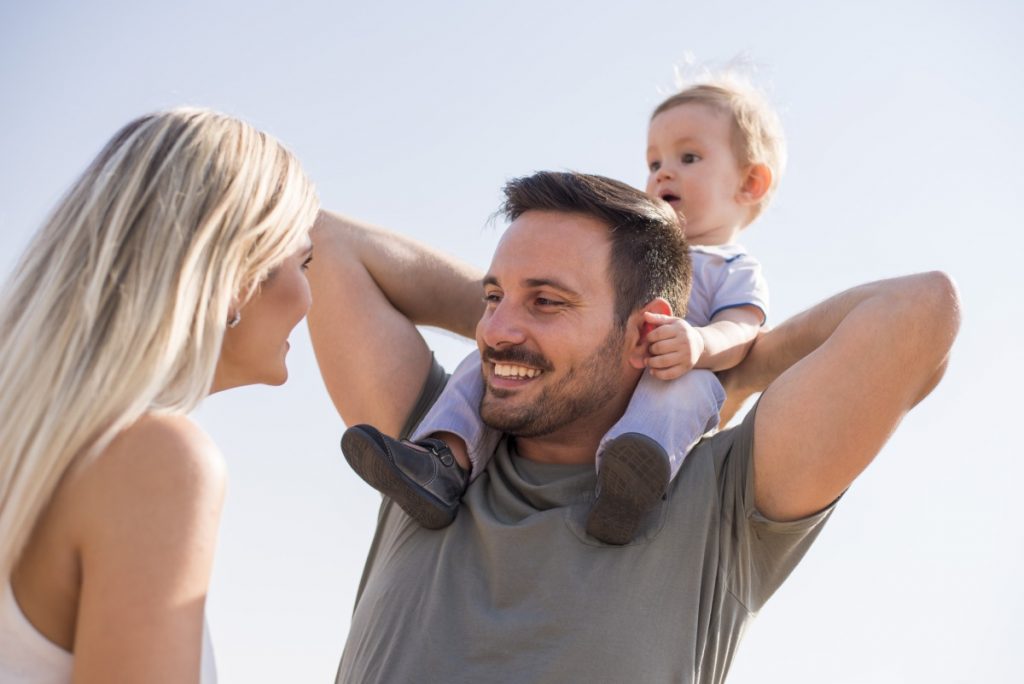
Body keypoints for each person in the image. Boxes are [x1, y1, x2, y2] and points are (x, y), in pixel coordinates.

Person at [309, 170, 959, 683]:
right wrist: (514, 330)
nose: (498, 328)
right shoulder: (429, 452)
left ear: (642, 329)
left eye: (549, 300)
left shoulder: (725, 501)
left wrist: (707, 359)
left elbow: (920, 310)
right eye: (492, 297)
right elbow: (323, 238)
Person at [340, 78, 783, 544]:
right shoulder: (626, 250)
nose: (662, 174)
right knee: (484, 362)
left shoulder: (734, 266)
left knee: (687, 391)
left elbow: (744, 326)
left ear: (750, 183)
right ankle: (441, 459)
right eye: (654, 162)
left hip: (670, 368)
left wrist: (698, 344)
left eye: (688, 158)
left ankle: (632, 481)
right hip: (603, 365)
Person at [0, 108, 319, 683]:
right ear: (236, 277)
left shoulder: (34, 443)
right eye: (305, 261)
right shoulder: (155, 459)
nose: (311, 298)